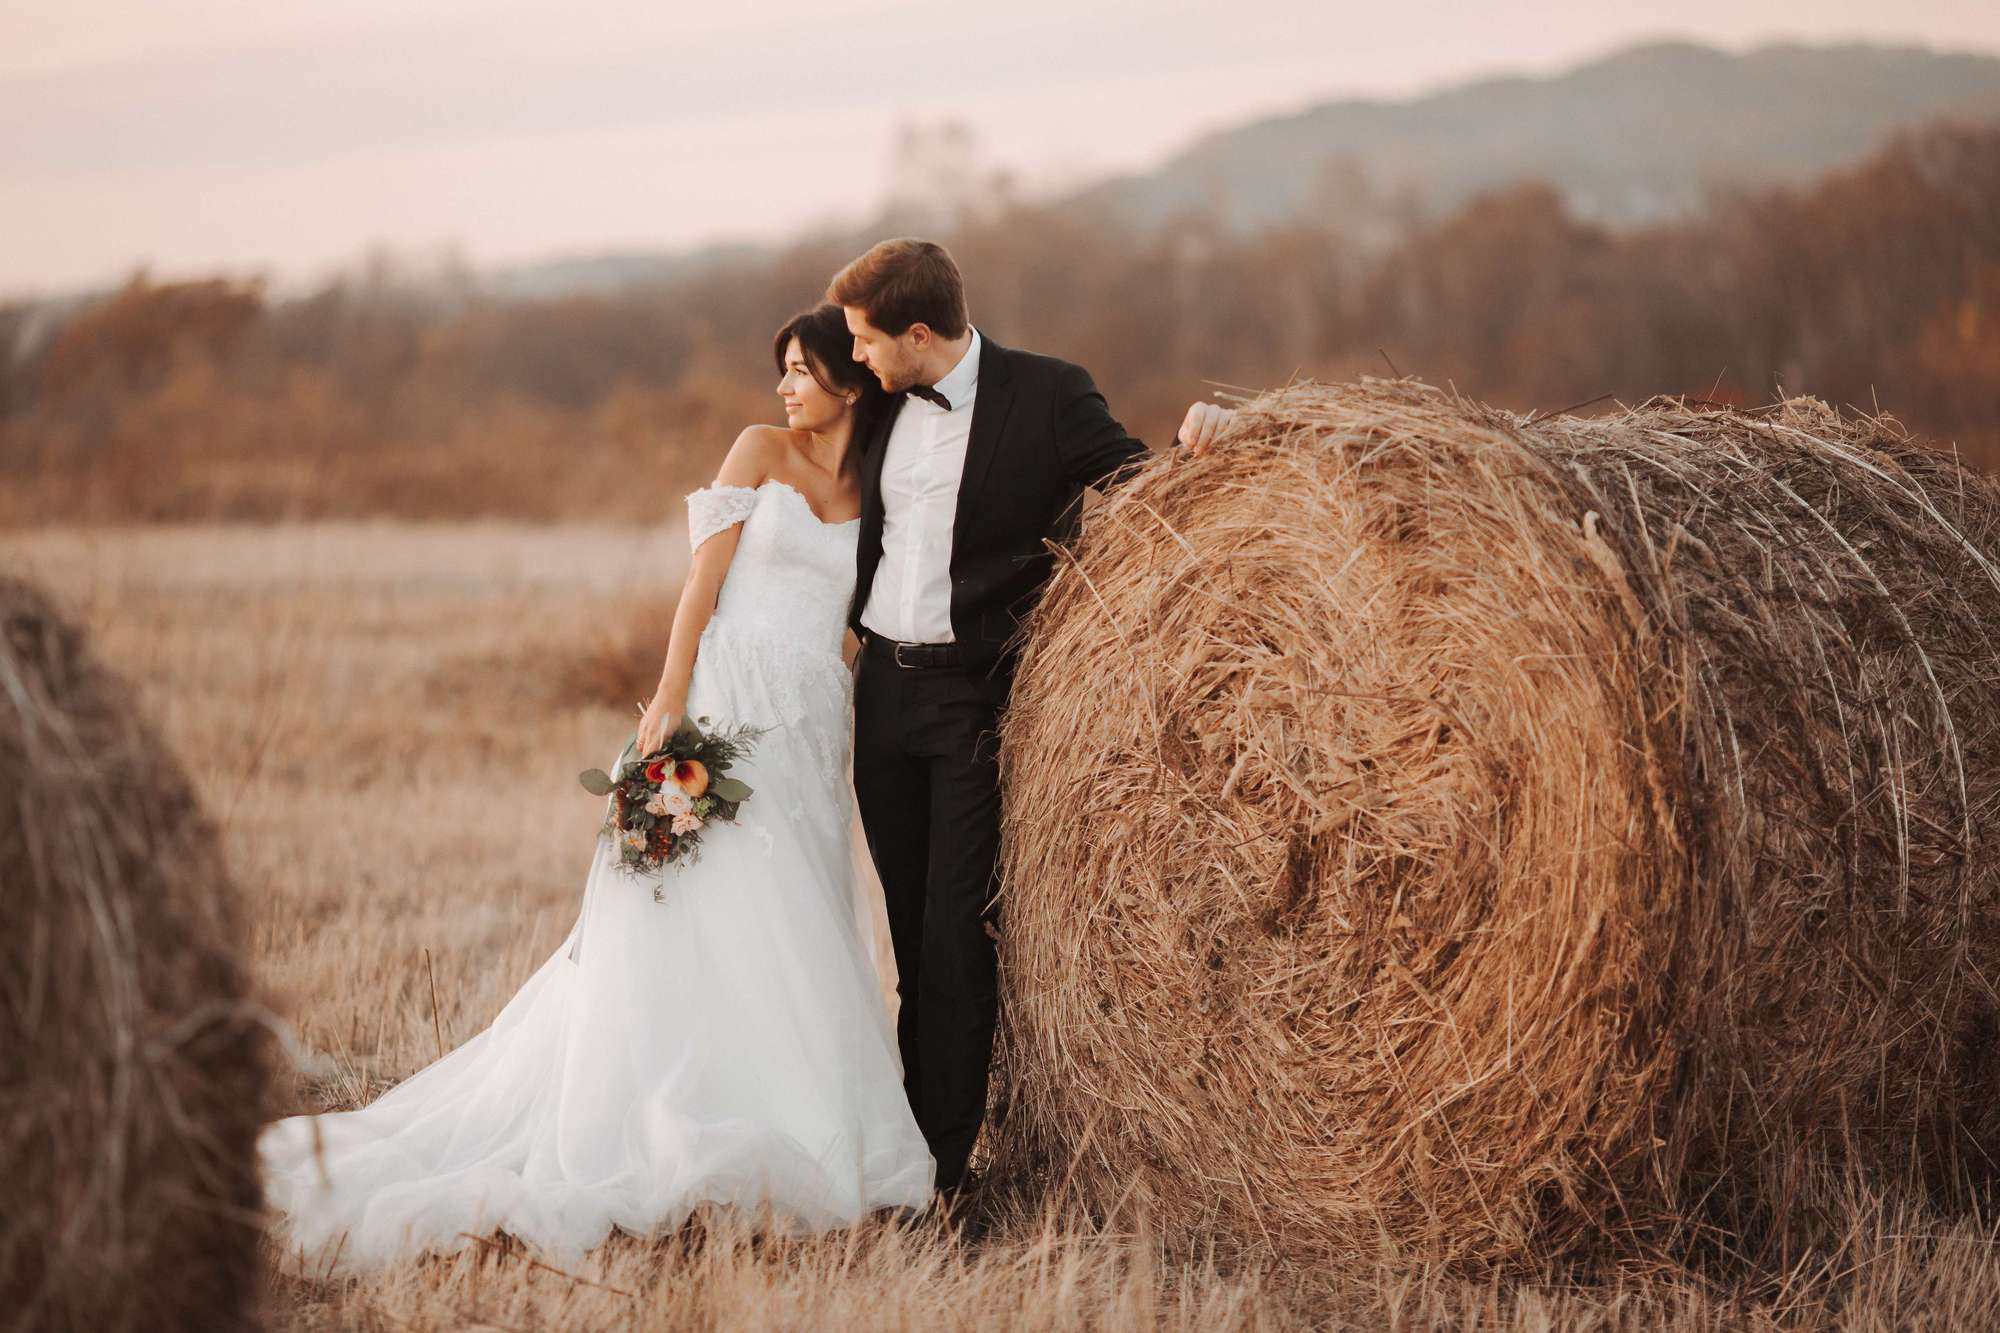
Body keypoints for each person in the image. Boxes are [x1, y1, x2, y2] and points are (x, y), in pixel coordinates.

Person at [259, 304, 935, 1272]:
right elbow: (700, 588)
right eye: (781, 368)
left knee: (801, 918)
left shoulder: (883, 475)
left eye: (800, 369)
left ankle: (810, 1120)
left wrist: (834, 692)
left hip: (810, 721)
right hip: (725, 700)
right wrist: (667, 703)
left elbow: (867, 611)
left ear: (848, 378)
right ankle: (681, 1112)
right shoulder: (757, 448)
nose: (784, 387)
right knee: (695, 906)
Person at [832, 237, 1235, 1198]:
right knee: (908, 931)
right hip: (881, 697)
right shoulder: (885, 398)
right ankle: (901, 1148)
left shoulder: (1049, 395)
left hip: (975, 700)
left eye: (867, 342)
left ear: (918, 333)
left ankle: (942, 1170)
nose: (859, 359)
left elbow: (1141, 493)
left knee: (957, 935)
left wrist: (1208, 440)